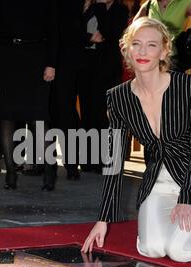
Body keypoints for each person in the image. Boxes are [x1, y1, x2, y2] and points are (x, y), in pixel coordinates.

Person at [82, 17, 191, 263]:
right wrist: (103, 219)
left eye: (151, 45)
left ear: (164, 51)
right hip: (158, 182)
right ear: (126, 50)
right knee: (152, 249)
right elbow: (114, 160)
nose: (143, 51)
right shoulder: (118, 98)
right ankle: (181, 229)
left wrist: (188, 198)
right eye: (136, 44)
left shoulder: (188, 86)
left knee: (181, 252)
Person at [0, 1, 58, 191]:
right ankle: (11, 172)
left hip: (36, 59)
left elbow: (54, 30)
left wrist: (51, 63)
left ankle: (49, 169)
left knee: (38, 118)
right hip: (5, 59)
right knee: (5, 116)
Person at [79, 0, 129, 173]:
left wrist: (100, 9)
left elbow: (111, 32)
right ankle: (88, 161)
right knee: (87, 112)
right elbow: (78, 31)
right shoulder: (90, 7)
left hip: (107, 69)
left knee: (104, 115)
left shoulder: (120, 10)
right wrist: (88, 38)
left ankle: (106, 160)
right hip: (86, 66)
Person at [50, 0, 85, 181]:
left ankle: (70, 164)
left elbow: (72, 28)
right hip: (55, 57)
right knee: (55, 111)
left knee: (63, 111)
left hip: (64, 60)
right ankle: (50, 163)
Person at [134, 0, 191, 70]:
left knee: (172, 80)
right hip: (151, 56)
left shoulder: (185, 3)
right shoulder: (149, 4)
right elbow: (134, 26)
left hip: (172, 57)